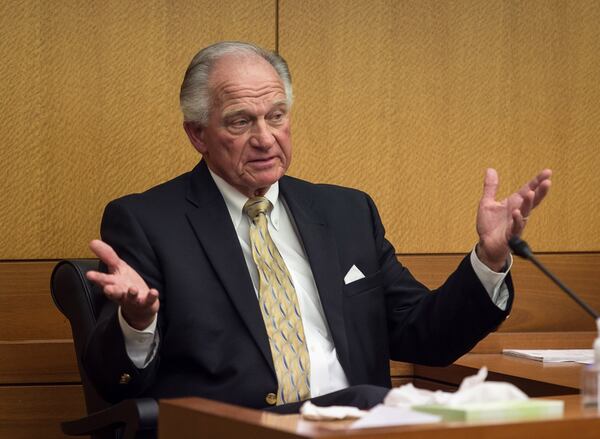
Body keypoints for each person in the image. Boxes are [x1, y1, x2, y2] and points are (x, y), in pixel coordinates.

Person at [84, 41, 552, 413]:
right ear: (197, 134)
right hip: (237, 429)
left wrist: (489, 260)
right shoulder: (148, 222)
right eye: (241, 121)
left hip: (359, 426)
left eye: (277, 116)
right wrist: (136, 324)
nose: (265, 138)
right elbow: (115, 382)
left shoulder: (347, 212)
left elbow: (424, 336)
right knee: (371, 400)